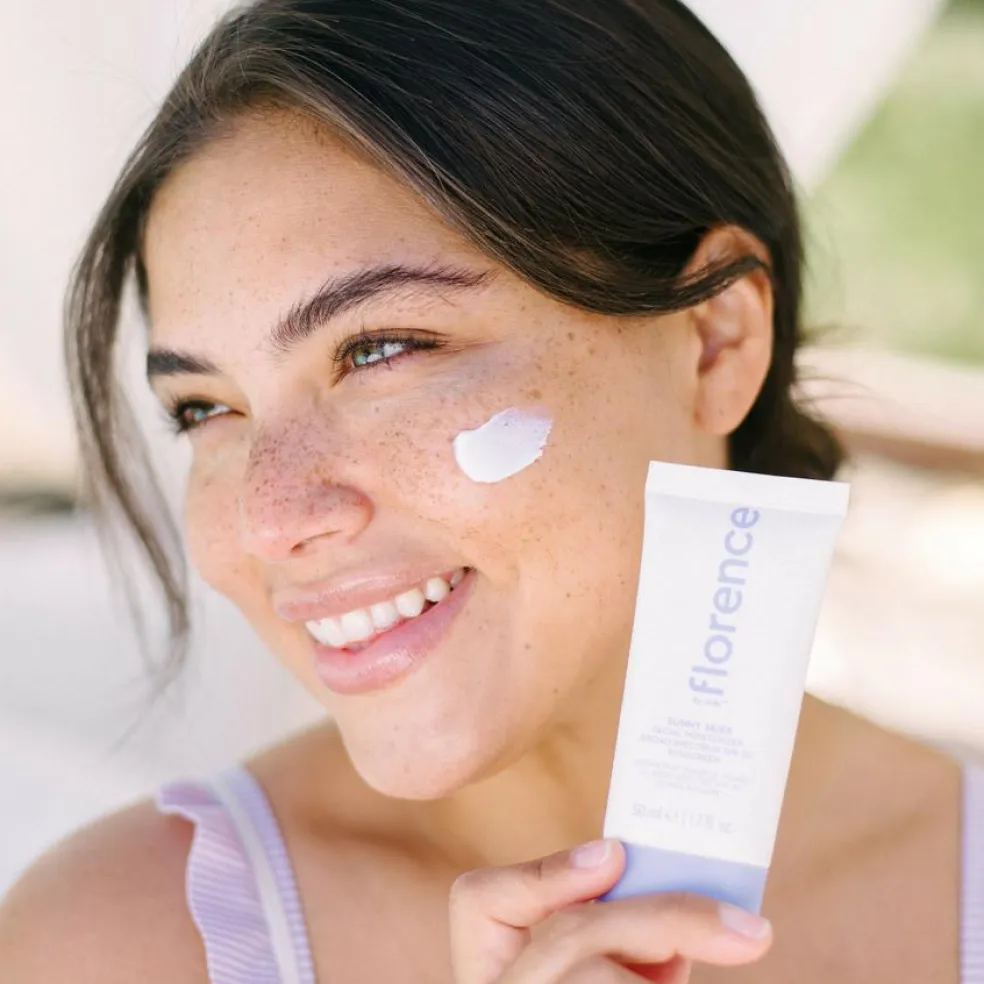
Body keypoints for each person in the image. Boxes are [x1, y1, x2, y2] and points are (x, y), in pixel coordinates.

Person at [1, 1, 981, 981]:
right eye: (206, 409)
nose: (271, 520)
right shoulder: (110, 948)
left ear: (716, 340)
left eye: (381, 349)